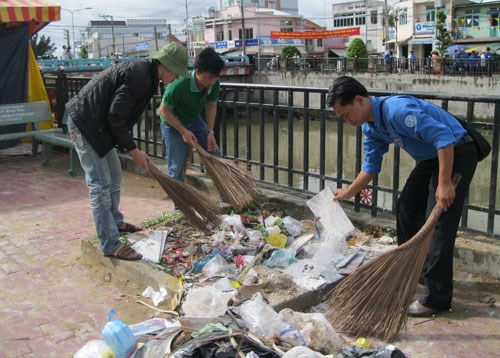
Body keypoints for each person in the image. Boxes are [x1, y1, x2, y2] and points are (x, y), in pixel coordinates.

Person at [327, 76, 478, 317]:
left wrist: (445, 182)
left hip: (456, 152)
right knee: (406, 207)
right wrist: (347, 193)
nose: (347, 121)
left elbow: (443, 138)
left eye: (346, 114)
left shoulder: (397, 111)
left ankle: (437, 298)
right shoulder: (371, 127)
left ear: (359, 99)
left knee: (440, 223)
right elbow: (370, 167)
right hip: (431, 158)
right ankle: (416, 269)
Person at [65, 43, 190, 261]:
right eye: (177, 73)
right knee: (100, 186)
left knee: (114, 177)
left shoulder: (149, 77)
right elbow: (116, 116)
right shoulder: (139, 76)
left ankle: (115, 222)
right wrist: (133, 151)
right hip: (85, 125)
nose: (177, 78)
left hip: (99, 126)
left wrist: (132, 148)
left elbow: (118, 114)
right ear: (167, 67)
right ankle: (110, 243)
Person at [159, 46, 225, 181]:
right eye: (210, 77)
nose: (212, 82)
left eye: (216, 77)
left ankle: (226, 194)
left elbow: (211, 105)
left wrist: (211, 132)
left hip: (193, 119)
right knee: (176, 167)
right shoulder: (179, 83)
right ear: (198, 71)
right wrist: (183, 131)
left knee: (215, 155)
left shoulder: (213, 84)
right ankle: (180, 201)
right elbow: (164, 110)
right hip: (172, 123)